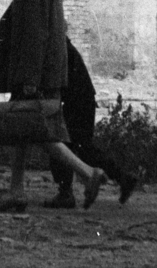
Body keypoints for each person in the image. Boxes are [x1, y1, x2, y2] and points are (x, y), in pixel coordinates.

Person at [0, 0, 108, 212]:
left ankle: (88, 174)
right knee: (26, 131)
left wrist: (29, 79)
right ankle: (16, 191)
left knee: (41, 132)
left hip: (35, 76)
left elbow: (34, 34)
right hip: (42, 73)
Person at [44, 38, 139, 208]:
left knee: (61, 143)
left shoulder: (56, 47)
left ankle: (65, 193)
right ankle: (122, 177)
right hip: (81, 98)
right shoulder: (61, 45)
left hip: (74, 100)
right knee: (82, 147)